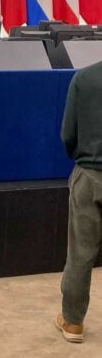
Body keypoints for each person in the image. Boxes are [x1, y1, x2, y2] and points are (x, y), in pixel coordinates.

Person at [55, 60, 102, 343]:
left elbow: (67, 135)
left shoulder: (83, 79)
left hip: (89, 175)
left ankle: (73, 323)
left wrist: (83, 160)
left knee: (80, 254)